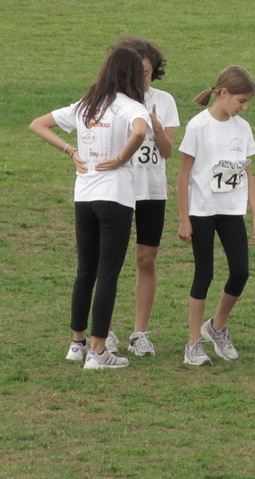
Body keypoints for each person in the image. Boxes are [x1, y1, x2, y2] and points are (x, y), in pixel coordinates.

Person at [29, 46, 151, 369]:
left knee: (85, 272)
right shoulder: (130, 106)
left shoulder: (86, 106)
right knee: (107, 273)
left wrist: (70, 150)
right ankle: (99, 352)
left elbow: (37, 124)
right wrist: (122, 158)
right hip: (116, 198)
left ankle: (77, 343)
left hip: (84, 197)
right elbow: (140, 130)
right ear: (132, 75)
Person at [87, 37, 180, 357]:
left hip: (151, 191)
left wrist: (154, 123)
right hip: (116, 190)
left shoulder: (164, 101)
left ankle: (140, 333)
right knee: (107, 261)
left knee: (146, 259)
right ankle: (106, 330)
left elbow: (167, 151)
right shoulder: (110, 102)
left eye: (147, 71)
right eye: (136, 71)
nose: (142, 77)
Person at [177, 66, 255, 365]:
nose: (244, 107)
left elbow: (247, 172)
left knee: (241, 271)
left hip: (231, 210)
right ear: (223, 93)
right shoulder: (198, 126)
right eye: (241, 100)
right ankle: (193, 343)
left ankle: (217, 326)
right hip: (201, 210)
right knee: (204, 273)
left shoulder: (243, 128)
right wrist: (184, 218)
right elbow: (183, 174)